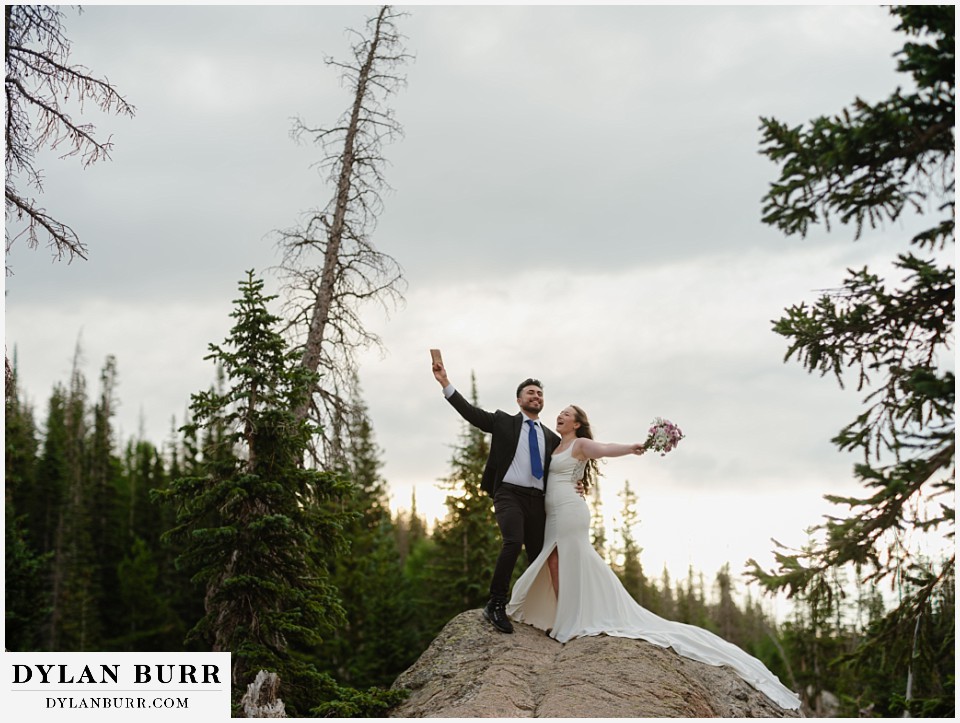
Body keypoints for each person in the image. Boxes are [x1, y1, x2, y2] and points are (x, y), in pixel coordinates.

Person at [507, 404, 802, 711]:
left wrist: (633, 447)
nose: (561, 416)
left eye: (567, 414)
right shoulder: (555, 444)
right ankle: (563, 616)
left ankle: (570, 620)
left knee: (571, 558)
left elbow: (605, 448)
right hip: (552, 511)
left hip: (570, 509)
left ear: (578, 423)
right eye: (561, 413)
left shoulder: (580, 444)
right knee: (554, 561)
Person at [432, 358, 560, 634]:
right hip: (508, 494)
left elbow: (566, 465)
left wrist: (580, 484)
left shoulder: (552, 438)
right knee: (512, 542)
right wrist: (445, 383)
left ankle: (541, 611)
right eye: (530, 392)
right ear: (519, 400)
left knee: (539, 555)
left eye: (540, 393)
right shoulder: (503, 421)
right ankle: (496, 603)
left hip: (538, 500)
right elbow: (472, 414)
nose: (536, 396)